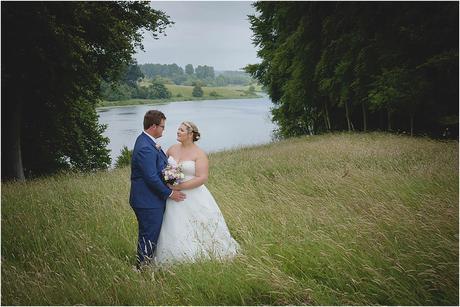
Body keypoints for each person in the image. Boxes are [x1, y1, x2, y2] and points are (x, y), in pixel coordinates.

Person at [154, 121, 240, 265]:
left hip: (193, 195)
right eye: (178, 130)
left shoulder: (199, 154)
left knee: (200, 224)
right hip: (173, 196)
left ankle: (203, 255)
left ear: (190, 134)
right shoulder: (172, 149)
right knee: (173, 224)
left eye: (181, 130)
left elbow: (202, 178)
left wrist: (179, 187)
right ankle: (172, 257)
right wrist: (156, 151)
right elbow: (162, 167)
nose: (177, 132)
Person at [129, 110, 186, 270]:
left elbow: (160, 167)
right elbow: (151, 177)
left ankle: (145, 265)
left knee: (150, 234)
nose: (163, 129)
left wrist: (174, 177)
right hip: (147, 201)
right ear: (153, 126)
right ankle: (141, 268)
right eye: (162, 126)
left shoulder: (148, 142)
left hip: (150, 199)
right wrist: (170, 193)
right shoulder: (145, 147)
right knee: (148, 235)